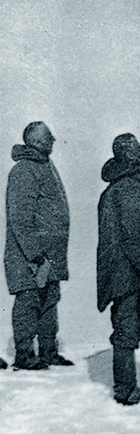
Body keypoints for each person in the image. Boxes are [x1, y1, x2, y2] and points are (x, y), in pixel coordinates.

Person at [97, 134, 140, 405]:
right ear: (126, 154)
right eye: (136, 148)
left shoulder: (112, 189)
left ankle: (127, 385)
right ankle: (126, 389)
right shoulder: (130, 189)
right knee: (127, 331)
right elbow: (133, 241)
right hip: (130, 275)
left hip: (117, 273)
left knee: (125, 328)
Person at [4, 122, 73, 370]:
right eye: (48, 137)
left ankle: (48, 352)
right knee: (29, 300)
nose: (53, 139)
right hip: (28, 256)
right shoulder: (24, 170)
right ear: (36, 141)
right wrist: (36, 256)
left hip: (48, 255)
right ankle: (24, 355)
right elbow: (20, 219)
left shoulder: (44, 166)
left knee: (49, 300)